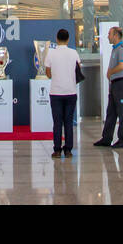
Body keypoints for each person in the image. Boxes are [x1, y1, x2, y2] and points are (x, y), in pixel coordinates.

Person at [43, 28, 81, 158]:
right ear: (68, 39)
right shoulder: (74, 53)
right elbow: (78, 69)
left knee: (57, 122)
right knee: (69, 122)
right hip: (71, 91)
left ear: (57, 39)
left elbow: (48, 73)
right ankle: (69, 149)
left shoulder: (51, 53)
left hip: (56, 92)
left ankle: (57, 150)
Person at [95, 26, 123, 149]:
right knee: (111, 112)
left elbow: (121, 66)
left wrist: (110, 72)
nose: (108, 36)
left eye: (109, 34)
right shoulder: (114, 50)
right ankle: (107, 138)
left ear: (116, 35)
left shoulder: (121, 49)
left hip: (120, 83)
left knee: (122, 112)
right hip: (114, 84)